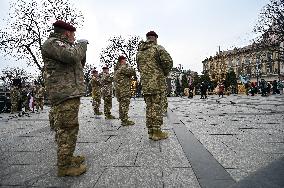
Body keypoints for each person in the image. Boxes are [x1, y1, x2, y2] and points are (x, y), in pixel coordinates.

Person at [41, 20, 88, 176]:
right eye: (73, 35)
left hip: (69, 92)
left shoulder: (62, 45)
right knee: (67, 129)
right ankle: (64, 166)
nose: (75, 38)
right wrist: (82, 44)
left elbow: (78, 62)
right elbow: (71, 56)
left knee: (69, 128)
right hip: (64, 93)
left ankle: (68, 157)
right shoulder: (52, 43)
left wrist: (80, 51)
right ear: (67, 33)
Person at [136, 31, 173, 141]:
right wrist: (163, 72)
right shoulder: (158, 48)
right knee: (157, 107)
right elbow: (168, 62)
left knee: (149, 107)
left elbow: (139, 68)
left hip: (146, 85)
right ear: (155, 38)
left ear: (147, 38)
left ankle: (151, 131)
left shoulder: (139, 52)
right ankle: (157, 132)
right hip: (157, 83)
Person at [114, 55, 136, 126]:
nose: (126, 61)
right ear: (122, 61)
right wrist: (128, 66)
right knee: (125, 105)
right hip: (124, 89)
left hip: (120, 90)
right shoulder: (123, 67)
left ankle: (123, 119)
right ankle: (124, 120)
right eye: (124, 60)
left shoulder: (117, 69)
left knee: (122, 105)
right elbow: (132, 72)